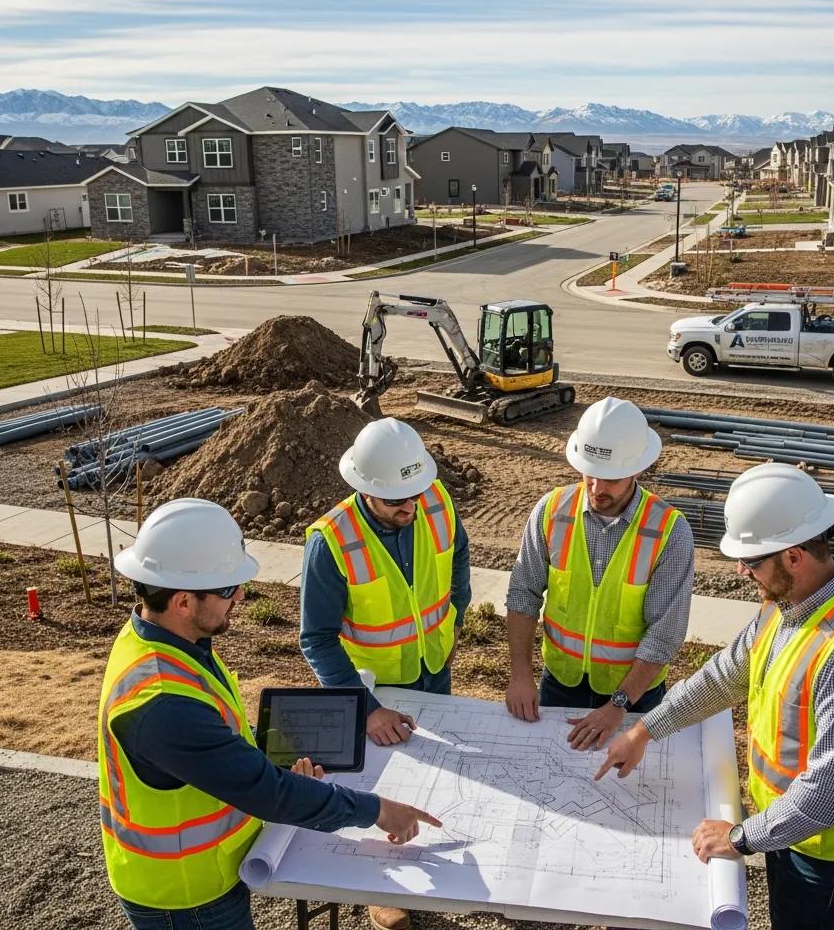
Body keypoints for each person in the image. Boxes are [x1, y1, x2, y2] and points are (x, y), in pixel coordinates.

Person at [100, 498, 440, 930]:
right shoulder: (164, 703)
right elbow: (267, 792)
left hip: (204, 869)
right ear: (183, 601)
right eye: (227, 588)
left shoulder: (163, 641)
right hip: (184, 893)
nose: (241, 594)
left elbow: (223, 750)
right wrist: (377, 811)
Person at [596, 463, 834, 930]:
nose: (741, 570)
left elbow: (828, 792)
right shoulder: (785, 608)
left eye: (753, 560)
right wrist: (644, 730)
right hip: (791, 828)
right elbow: (722, 678)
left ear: (795, 557)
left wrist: (740, 838)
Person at [301, 417, 470, 930]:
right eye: (397, 499)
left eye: (415, 494)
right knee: (383, 787)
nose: (411, 506)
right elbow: (317, 639)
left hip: (433, 668)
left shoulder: (434, 499)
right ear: (365, 489)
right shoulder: (331, 542)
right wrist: (367, 709)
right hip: (374, 689)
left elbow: (457, 555)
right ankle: (384, 890)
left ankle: (443, 866)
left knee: (438, 774)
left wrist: (455, 616)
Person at [505, 396, 694, 750]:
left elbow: (665, 633)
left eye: (611, 479)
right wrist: (519, 674)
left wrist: (618, 705)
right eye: (590, 474)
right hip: (560, 682)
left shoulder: (670, 531)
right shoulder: (551, 511)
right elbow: (522, 595)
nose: (596, 488)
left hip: (635, 696)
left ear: (638, 469)